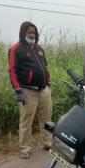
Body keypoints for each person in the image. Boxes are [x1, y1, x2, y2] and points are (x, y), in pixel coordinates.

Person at [9, 22, 52, 159]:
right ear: (23, 33)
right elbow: (12, 71)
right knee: (26, 121)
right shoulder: (16, 49)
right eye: (29, 32)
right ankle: (25, 148)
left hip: (44, 90)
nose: (32, 35)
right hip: (28, 91)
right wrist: (18, 91)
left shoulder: (39, 48)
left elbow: (45, 66)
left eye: (34, 32)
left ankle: (47, 142)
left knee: (46, 119)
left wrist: (48, 83)